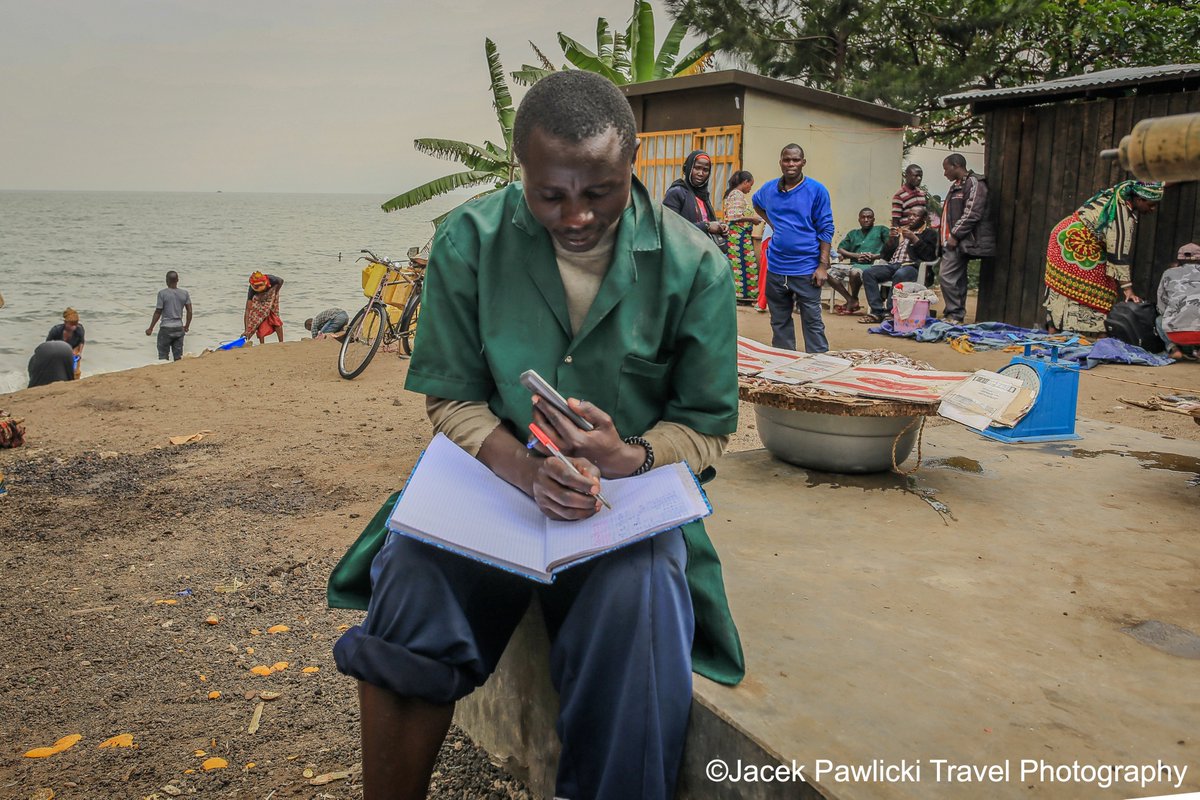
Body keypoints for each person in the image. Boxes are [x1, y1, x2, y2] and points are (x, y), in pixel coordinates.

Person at [332, 70, 741, 800]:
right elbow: (451, 398)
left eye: (600, 193)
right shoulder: (470, 241)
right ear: (519, 164)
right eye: (550, 194)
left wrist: (632, 457)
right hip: (494, 483)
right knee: (414, 576)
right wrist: (525, 472)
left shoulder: (696, 266)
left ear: (633, 161)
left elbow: (708, 427)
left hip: (621, 505)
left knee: (640, 600)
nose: (577, 216)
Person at [1044, 180, 1164, 335]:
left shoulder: (1120, 193)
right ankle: (1098, 334)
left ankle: (1055, 329)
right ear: (1139, 199)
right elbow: (1118, 255)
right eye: (1151, 204)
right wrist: (1128, 290)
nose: (1153, 209)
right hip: (1075, 241)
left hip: (1066, 233)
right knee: (1101, 287)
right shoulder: (1121, 216)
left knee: (1066, 285)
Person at [752, 143, 834, 353]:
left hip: (806, 269)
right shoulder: (769, 189)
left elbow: (826, 229)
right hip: (777, 268)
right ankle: (784, 369)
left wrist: (822, 266)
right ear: (780, 162)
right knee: (779, 323)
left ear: (803, 163)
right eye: (786, 159)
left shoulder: (817, 190)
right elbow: (756, 203)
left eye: (795, 160)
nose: (791, 164)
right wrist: (772, 223)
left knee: (813, 323)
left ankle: (819, 369)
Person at [859, 206, 940, 324]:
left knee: (900, 274)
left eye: (915, 216)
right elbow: (885, 256)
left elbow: (930, 256)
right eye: (910, 215)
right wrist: (891, 240)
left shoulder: (929, 234)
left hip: (912, 267)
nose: (911, 218)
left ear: (924, 218)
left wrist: (914, 239)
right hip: (893, 265)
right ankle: (877, 312)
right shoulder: (901, 232)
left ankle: (891, 312)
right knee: (868, 273)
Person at [940, 154, 995, 325]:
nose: (944, 173)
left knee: (946, 276)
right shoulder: (956, 186)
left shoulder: (974, 183)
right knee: (957, 278)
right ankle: (955, 314)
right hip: (951, 240)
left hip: (960, 240)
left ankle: (954, 313)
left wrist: (955, 235)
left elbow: (972, 212)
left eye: (946, 168)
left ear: (956, 165)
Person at [662, 149, 728, 250]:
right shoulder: (676, 192)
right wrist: (706, 226)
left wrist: (720, 227)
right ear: (688, 168)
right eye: (697, 168)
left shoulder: (703, 195)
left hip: (704, 251)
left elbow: (706, 220)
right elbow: (670, 227)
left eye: (705, 170)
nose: (701, 173)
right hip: (684, 252)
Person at [830, 207, 890, 315]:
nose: (866, 220)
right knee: (828, 273)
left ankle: (853, 298)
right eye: (863, 217)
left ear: (873, 219)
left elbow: (890, 248)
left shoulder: (881, 230)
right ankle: (850, 299)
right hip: (854, 263)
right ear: (859, 220)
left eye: (869, 217)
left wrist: (874, 256)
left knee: (854, 272)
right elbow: (840, 249)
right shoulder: (853, 233)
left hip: (873, 265)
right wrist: (856, 255)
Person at [721, 170, 762, 303]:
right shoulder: (737, 194)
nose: (750, 188)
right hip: (737, 237)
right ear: (745, 182)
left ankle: (743, 295)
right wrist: (752, 219)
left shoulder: (734, 194)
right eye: (750, 185)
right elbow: (735, 216)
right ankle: (742, 296)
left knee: (742, 265)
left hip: (739, 236)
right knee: (744, 265)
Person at [1157, 242, 1200, 361]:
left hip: (1176, 335)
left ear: (1179, 259)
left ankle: (1173, 349)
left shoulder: (1168, 273)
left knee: (1159, 319)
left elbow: (1161, 306)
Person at [145, 270, 193, 361]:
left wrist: (150, 328)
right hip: (179, 328)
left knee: (163, 356)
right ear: (177, 280)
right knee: (178, 357)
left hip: (165, 329)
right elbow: (190, 311)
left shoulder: (162, 293)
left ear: (166, 280)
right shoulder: (184, 293)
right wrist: (187, 326)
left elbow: (158, 311)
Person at [244, 271, 284, 343]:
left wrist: (274, 292)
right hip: (259, 299)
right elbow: (248, 310)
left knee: (274, 316)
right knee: (258, 318)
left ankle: (281, 342)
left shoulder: (272, 280)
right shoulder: (252, 290)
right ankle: (261, 343)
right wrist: (246, 330)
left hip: (271, 294)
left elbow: (281, 281)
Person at [47, 307, 85, 378]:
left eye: (76, 323)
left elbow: (81, 342)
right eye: (71, 324)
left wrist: (79, 352)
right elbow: (47, 344)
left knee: (75, 372)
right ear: (65, 322)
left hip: (74, 348)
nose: (74, 326)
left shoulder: (80, 329)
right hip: (58, 349)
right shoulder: (56, 330)